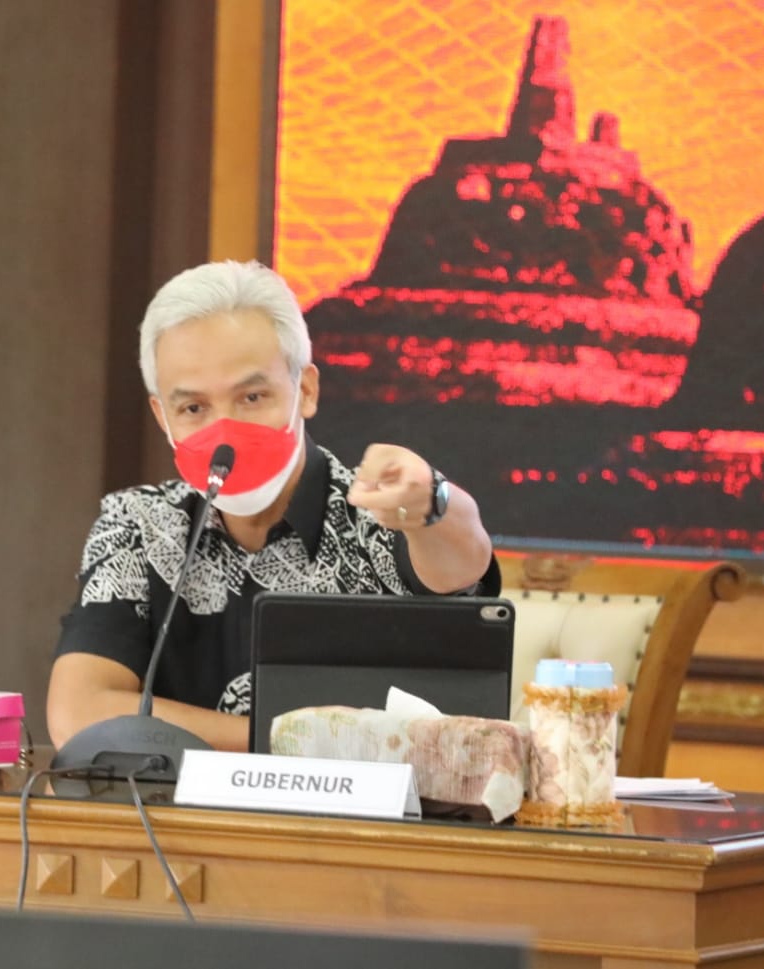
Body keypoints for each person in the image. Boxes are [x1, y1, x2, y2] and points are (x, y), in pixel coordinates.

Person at [47, 260, 498, 752]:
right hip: (182, 805)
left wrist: (432, 500)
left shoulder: (376, 509)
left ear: (305, 390)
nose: (225, 430)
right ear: (162, 416)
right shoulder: (138, 523)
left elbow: (462, 561)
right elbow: (78, 713)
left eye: (252, 397)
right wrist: (299, 747)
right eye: (194, 408)